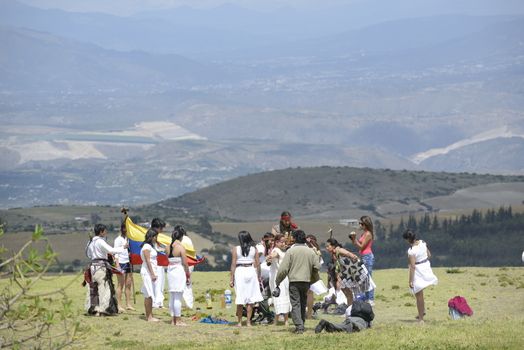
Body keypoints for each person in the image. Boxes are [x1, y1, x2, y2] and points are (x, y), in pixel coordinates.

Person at [275, 230, 321, 334]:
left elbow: (283, 269)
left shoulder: (290, 251)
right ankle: (302, 323)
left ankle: (299, 326)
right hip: (306, 281)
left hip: (294, 281)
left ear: (295, 239)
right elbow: (317, 266)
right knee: (303, 302)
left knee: (295, 304)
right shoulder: (311, 251)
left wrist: (278, 281)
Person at [85, 223, 127, 316]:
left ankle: (93, 309)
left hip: (93, 266)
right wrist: (123, 248)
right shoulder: (100, 241)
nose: (106, 232)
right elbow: (111, 250)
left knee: (93, 289)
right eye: (105, 230)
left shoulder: (90, 242)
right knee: (103, 288)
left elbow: (88, 254)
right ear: (101, 232)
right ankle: (102, 309)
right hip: (100, 267)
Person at [326, 238, 375, 308]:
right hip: (346, 273)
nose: (326, 248)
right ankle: (350, 309)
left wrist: (354, 258)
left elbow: (349, 254)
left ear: (333, 246)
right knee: (346, 291)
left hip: (352, 272)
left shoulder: (338, 250)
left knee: (348, 292)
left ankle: (351, 309)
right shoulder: (334, 253)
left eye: (328, 246)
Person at [402, 229, 438, 323]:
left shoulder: (411, 251)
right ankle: (422, 311)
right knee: (420, 294)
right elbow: (429, 255)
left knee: (419, 295)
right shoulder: (422, 242)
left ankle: (421, 318)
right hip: (426, 267)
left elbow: (412, 266)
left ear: (407, 240)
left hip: (418, 271)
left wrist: (410, 281)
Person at [229, 231, 264, 327]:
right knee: (250, 299)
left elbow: (233, 264)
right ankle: (248, 322)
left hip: (240, 271)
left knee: (240, 297)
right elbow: (257, 264)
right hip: (251, 271)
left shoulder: (236, 249)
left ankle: (239, 322)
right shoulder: (254, 249)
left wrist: (231, 278)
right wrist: (258, 276)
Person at [166, 225, 191, 326]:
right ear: (181, 237)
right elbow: (185, 263)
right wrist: (188, 275)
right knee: (178, 297)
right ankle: (178, 320)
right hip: (178, 271)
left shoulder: (167, 247)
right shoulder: (180, 248)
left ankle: (173, 320)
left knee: (172, 296)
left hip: (170, 270)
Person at [349, 215, 375, 305]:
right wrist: (353, 239)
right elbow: (357, 245)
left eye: (361, 223)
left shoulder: (368, 234)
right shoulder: (364, 233)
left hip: (367, 256)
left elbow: (361, 246)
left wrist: (355, 239)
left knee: (368, 278)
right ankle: (366, 297)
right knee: (363, 278)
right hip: (364, 256)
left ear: (365, 224)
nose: (359, 225)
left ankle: (370, 299)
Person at [266, 234, 291, 326]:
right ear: (276, 242)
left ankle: (285, 320)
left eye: (285, 242)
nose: (284, 243)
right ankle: (277, 320)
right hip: (277, 278)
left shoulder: (284, 251)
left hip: (284, 277)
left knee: (285, 297)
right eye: (282, 242)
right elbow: (274, 255)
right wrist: (270, 257)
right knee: (277, 297)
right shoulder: (276, 250)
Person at [140, 222, 163, 322]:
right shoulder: (146, 247)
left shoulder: (151, 246)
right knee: (148, 294)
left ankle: (150, 315)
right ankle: (149, 317)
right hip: (147, 272)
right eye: (155, 237)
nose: (156, 238)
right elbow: (148, 261)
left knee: (150, 294)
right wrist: (152, 274)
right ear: (151, 236)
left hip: (151, 271)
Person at [114, 222, 135, 312]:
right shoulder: (118, 240)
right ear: (122, 229)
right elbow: (115, 252)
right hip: (121, 263)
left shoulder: (129, 239)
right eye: (125, 228)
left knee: (128, 284)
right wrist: (117, 264)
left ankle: (128, 304)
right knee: (120, 285)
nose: (126, 230)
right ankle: (118, 305)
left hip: (128, 262)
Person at [305, 234, 324, 319]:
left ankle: (306, 314)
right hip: (313, 274)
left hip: (304, 273)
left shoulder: (305, 250)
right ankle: (309, 314)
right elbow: (319, 264)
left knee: (305, 294)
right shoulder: (317, 251)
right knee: (310, 294)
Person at [152, 219, 167, 308]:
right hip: (154, 264)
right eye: (160, 228)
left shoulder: (158, 237)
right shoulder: (151, 237)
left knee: (161, 283)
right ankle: (155, 302)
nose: (162, 231)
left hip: (159, 264)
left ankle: (159, 302)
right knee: (156, 283)